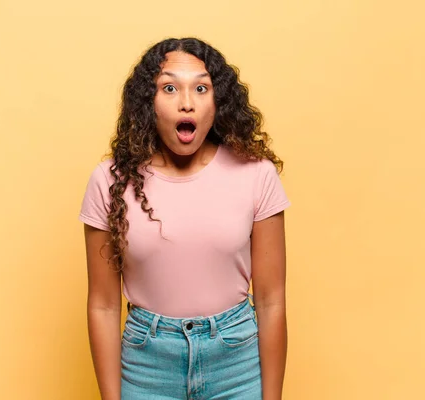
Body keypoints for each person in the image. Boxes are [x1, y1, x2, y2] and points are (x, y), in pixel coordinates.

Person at [79, 37, 290, 400]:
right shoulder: (109, 180)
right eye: (170, 88)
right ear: (149, 102)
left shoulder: (257, 174)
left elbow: (271, 301)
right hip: (146, 368)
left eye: (201, 88)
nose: (187, 102)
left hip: (236, 366)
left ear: (218, 101)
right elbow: (103, 304)